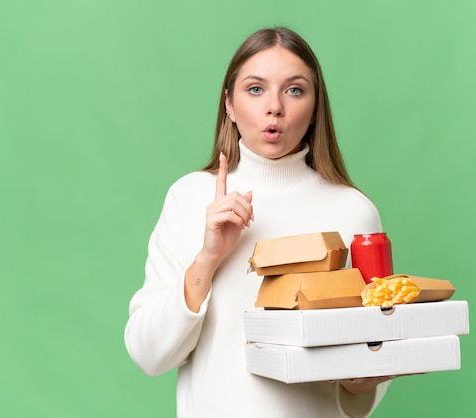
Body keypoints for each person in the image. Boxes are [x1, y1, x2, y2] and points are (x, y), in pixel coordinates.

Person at [124, 27, 396, 417]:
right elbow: (148, 355)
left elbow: (372, 361)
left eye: (295, 90)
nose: (275, 107)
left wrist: (363, 377)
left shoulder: (354, 212)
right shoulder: (190, 198)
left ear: (316, 107)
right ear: (229, 105)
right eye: (255, 89)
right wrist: (208, 258)